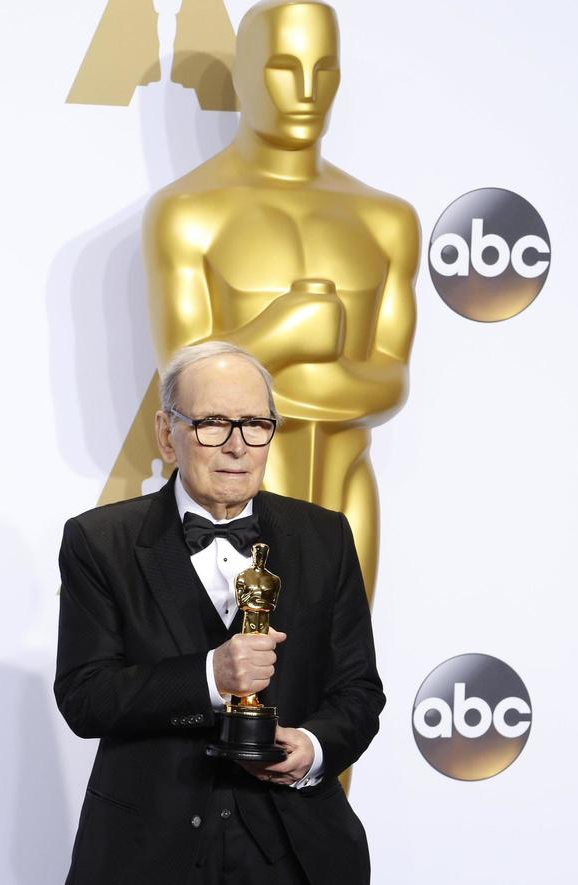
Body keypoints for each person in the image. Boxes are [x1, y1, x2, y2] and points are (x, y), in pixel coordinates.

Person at [55, 342, 385, 885]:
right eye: (212, 423)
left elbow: (358, 692)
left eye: (256, 424)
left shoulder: (325, 536)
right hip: (152, 849)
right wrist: (210, 677)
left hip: (291, 845)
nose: (237, 445)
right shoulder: (100, 542)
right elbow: (86, 697)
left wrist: (313, 749)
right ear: (167, 433)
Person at [143, 0, 419, 600]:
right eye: (283, 68)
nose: (306, 91)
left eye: (324, 70)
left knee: (342, 674)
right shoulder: (189, 214)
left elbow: (392, 380)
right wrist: (284, 332)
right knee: (243, 681)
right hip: (229, 492)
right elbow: (182, 373)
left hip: (348, 482)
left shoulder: (385, 219)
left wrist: (266, 371)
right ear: (242, 74)